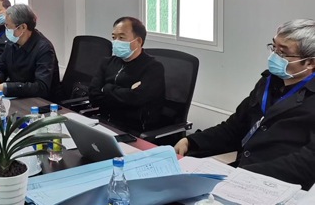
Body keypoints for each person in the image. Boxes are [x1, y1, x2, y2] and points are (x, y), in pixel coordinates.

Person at [175, 19, 315, 189]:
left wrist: (245, 176)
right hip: (241, 174)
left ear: (310, 62)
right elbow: (234, 128)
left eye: (282, 53)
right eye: (273, 48)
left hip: (277, 185)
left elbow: (307, 163)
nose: (274, 56)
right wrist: (191, 142)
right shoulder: (268, 82)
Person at [88, 17, 165, 132]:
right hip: (104, 123)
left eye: (121, 37)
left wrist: (106, 89)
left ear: (138, 41)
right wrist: (126, 92)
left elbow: (135, 99)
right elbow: (93, 96)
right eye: (114, 37)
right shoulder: (107, 63)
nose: (116, 42)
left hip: (133, 130)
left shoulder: (153, 68)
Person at [0, 4, 62, 101]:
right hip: (18, 97)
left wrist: (6, 88)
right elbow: (0, 67)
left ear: (23, 27)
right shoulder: (12, 43)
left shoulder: (44, 48)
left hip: (41, 102)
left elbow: (41, 87)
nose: (6, 30)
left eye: (8, 26)